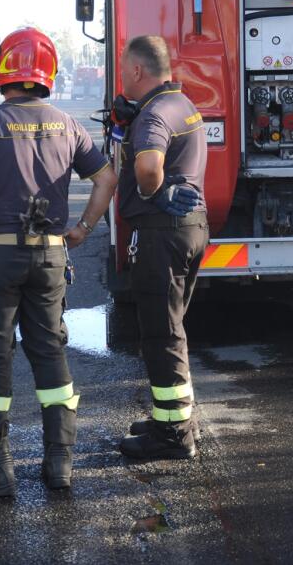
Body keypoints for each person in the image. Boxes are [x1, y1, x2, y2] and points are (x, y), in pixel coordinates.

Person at [0, 27, 117, 495]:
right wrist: (82, 229)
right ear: (48, 72)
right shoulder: (68, 124)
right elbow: (106, 179)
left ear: (2, 71)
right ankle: (59, 466)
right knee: (50, 353)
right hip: (50, 256)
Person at [114, 36, 207, 461]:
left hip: (161, 233)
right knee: (172, 327)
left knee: (161, 334)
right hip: (189, 229)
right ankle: (173, 418)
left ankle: (172, 437)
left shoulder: (153, 115)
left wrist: (152, 194)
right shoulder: (181, 103)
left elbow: (149, 166)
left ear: (136, 70)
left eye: (123, 68)